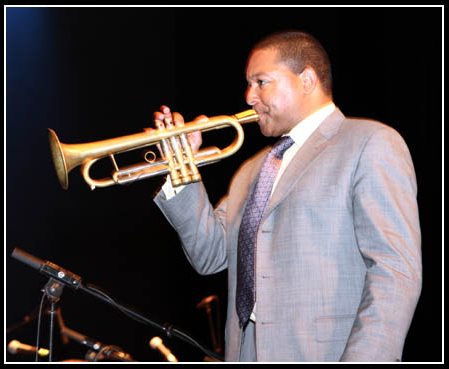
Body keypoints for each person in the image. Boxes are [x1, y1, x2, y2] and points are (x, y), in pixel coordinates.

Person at [152, 30, 422, 362]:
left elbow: (395, 271)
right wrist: (182, 170)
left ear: (307, 79)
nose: (249, 96)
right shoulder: (251, 170)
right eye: (249, 84)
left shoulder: (370, 142)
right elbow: (209, 255)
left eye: (261, 82)